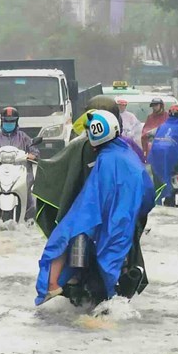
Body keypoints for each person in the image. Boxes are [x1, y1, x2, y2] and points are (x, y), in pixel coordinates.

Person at [35, 110, 155, 305]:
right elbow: (148, 193)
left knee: (63, 236)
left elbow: (80, 191)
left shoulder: (88, 150)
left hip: (95, 218)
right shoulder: (128, 152)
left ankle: (52, 284)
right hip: (120, 220)